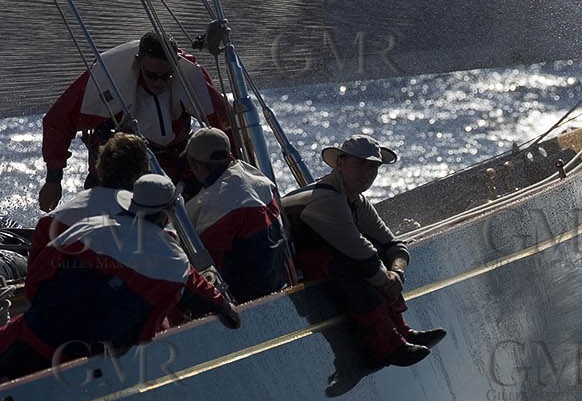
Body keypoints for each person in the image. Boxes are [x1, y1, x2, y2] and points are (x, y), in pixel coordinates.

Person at [0, 174, 240, 382]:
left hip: (35, 336)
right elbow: (200, 292)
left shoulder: (88, 228)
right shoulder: (175, 260)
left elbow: (36, 279)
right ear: (167, 213)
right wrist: (225, 308)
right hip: (97, 362)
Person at [281, 135, 445, 369]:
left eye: (373, 167)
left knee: (375, 258)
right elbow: (360, 252)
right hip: (293, 271)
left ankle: (403, 332)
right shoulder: (326, 198)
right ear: (340, 164)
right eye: (359, 164)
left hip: (328, 263)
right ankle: (387, 347)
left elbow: (392, 244)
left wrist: (397, 272)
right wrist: (386, 280)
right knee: (355, 268)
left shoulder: (355, 199)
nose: (367, 172)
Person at [39, 32, 236, 211]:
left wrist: (232, 169)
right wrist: (54, 180)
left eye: (166, 76)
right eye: (152, 75)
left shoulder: (190, 75)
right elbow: (58, 122)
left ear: (175, 63)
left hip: (175, 158)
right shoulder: (106, 76)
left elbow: (226, 123)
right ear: (138, 61)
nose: (160, 83)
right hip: (119, 165)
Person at [184, 126, 289, 303]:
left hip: (247, 296)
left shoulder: (214, 203)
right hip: (278, 281)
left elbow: (206, 261)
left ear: (197, 165)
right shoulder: (258, 179)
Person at [28, 131, 150, 265]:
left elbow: (35, 277)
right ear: (143, 174)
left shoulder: (50, 222)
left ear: (99, 167)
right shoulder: (153, 225)